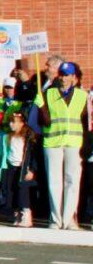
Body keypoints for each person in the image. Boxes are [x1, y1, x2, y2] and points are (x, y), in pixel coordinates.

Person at [34, 60, 87, 229]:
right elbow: (44, 122)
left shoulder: (82, 95)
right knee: (54, 181)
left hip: (74, 142)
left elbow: (86, 122)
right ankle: (55, 219)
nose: (64, 78)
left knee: (72, 180)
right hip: (53, 141)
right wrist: (41, 107)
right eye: (62, 75)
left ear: (74, 77)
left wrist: (87, 146)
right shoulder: (49, 94)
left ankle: (70, 217)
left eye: (67, 75)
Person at [4, 111, 38, 227]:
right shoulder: (10, 136)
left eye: (14, 122)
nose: (11, 125)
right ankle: (17, 213)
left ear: (22, 123)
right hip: (12, 166)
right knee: (12, 191)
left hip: (23, 168)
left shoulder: (28, 137)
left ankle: (26, 214)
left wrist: (31, 169)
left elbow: (33, 155)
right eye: (10, 122)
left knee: (23, 192)